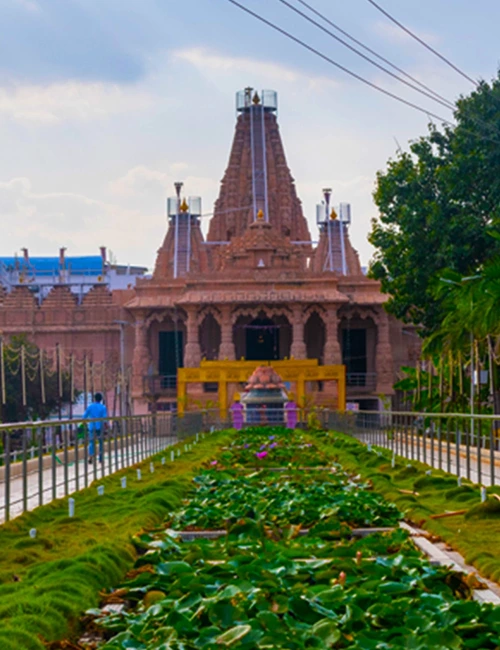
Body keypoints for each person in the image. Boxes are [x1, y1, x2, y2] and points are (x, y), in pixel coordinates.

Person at [84, 392, 107, 463]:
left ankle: (91, 456)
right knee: (100, 442)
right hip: (100, 427)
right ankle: (101, 458)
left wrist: (85, 423)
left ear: (94, 398)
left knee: (91, 442)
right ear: (101, 399)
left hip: (92, 427)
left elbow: (84, 416)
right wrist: (106, 426)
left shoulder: (90, 407)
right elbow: (104, 418)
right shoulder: (103, 407)